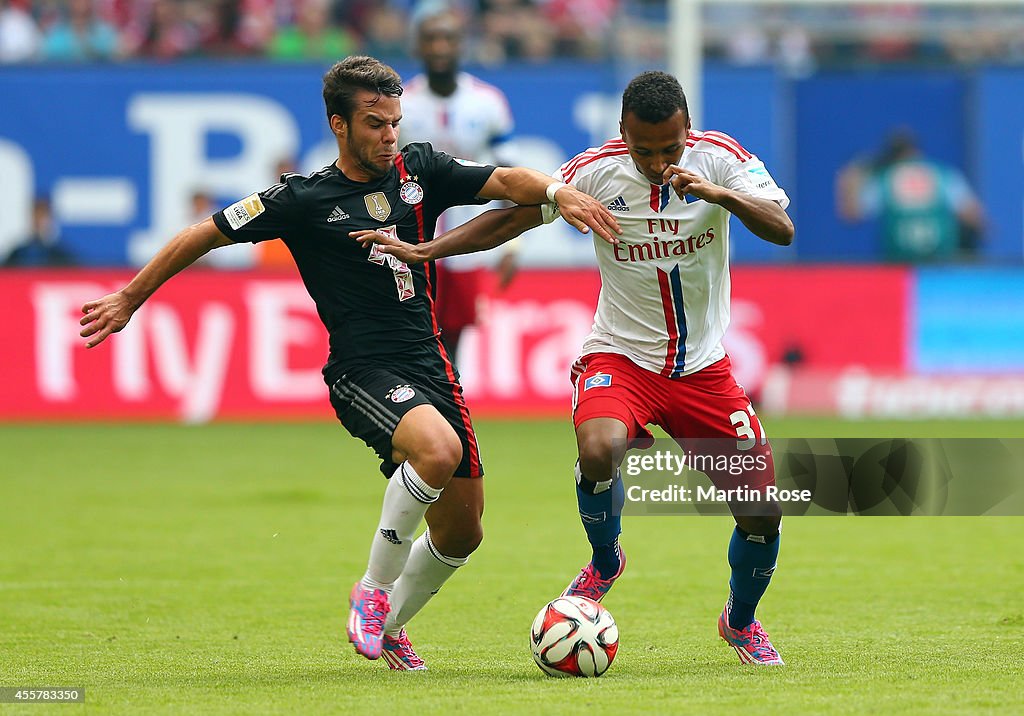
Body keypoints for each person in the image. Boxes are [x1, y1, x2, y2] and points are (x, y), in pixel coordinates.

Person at [78, 55, 619, 671]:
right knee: (435, 452)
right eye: (374, 124)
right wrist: (130, 296)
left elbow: (505, 182)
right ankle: (373, 589)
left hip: (431, 365)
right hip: (362, 370)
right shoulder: (302, 199)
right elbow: (202, 232)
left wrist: (558, 192)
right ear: (339, 125)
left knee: (463, 532)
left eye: (394, 121)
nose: (389, 135)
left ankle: (388, 627)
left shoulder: (420, 171)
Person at [354, 70, 795, 666]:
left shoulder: (723, 161)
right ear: (622, 133)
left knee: (762, 513)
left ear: (687, 132)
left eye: (669, 149)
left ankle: (740, 623)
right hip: (619, 356)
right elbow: (515, 215)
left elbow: (782, 227)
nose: (658, 162)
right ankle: (606, 559)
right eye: (644, 151)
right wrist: (430, 250)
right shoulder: (594, 171)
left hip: (704, 370)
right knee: (598, 449)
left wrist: (721, 197)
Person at [399, 3, 519, 360]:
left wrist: (513, 247)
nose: (438, 48)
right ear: (418, 46)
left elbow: (508, 174)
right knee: (414, 330)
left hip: (468, 237)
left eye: (447, 39)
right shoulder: (401, 102)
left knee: (454, 337)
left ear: (460, 45)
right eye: (430, 39)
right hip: (413, 235)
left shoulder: (487, 102)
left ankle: (445, 407)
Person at [836, 128, 984, 262]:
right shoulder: (943, 175)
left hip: (899, 267)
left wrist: (850, 178)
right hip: (940, 264)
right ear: (918, 150)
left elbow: (852, 214)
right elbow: (975, 218)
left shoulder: (885, 179)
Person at [3, 196, 76, 267]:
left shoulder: (60, 256)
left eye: (42, 216)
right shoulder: (18, 254)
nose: (38, 221)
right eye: (36, 216)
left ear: (50, 219)